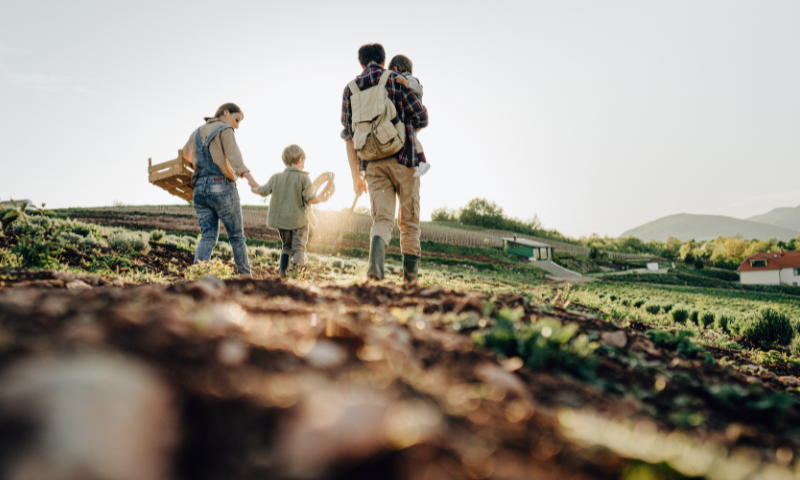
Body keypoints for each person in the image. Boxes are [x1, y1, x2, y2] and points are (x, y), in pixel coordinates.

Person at [341, 43, 429, 283]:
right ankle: (410, 280)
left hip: (372, 164)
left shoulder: (350, 89)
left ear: (361, 63)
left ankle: (375, 270)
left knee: (381, 220)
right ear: (384, 60)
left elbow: (349, 136)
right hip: (405, 158)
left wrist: (356, 177)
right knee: (409, 220)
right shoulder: (395, 79)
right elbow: (421, 116)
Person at [182, 103, 260, 278]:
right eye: (236, 119)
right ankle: (246, 278)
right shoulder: (225, 129)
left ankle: (198, 276)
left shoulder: (197, 132)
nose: (237, 126)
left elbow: (185, 156)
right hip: (222, 188)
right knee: (237, 237)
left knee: (208, 236)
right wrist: (252, 182)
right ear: (226, 113)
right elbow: (235, 159)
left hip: (200, 190)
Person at [252, 145, 321, 277]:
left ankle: (283, 272)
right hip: (298, 221)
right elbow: (310, 198)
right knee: (298, 248)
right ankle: (297, 276)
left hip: (282, 222)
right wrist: (321, 198)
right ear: (301, 159)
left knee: (286, 246)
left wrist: (254, 189)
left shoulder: (276, 177)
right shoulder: (304, 178)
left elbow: (263, 190)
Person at [387, 54, 429, 177]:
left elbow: (419, 89)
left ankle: (423, 162)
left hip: (412, 117)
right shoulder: (406, 78)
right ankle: (421, 161)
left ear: (395, 69)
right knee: (411, 139)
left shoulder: (410, 79)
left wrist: (406, 82)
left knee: (413, 139)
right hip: (409, 116)